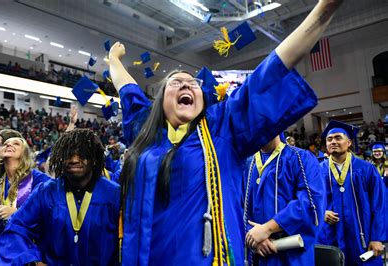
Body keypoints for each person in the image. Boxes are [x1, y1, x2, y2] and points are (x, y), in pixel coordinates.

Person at [108, 0, 343, 264]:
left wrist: (325, 9)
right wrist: (114, 60)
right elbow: (126, 87)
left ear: (201, 99)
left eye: (193, 83)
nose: (186, 85)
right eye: (176, 82)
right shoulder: (144, 129)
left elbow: (272, 69)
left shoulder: (222, 130)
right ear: (161, 99)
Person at [0, 129, 120, 265]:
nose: (74, 159)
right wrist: (32, 260)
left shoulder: (113, 194)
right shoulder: (46, 192)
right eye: (68, 154)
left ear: (94, 159)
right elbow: (16, 229)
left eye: (81, 154)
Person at [244, 134, 325, 265]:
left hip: (291, 255)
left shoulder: (301, 158)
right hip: (256, 254)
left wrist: (267, 229)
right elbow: (237, 207)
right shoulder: (247, 164)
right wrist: (252, 236)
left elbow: (310, 204)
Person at [0, 137, 50, 265]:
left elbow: (50, 215)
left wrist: (17, 213)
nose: (9, 145)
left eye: (16, 143)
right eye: (6, 143)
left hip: (23, 256)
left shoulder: (40, 180)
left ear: (25, 152)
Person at [317, 120, 385, 266]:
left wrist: (377, 237)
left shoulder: (366, 169)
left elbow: (380, 204)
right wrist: (321, 212)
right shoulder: (317, 170)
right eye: (329, 139)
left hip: (363, 236)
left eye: (338, 138)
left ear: (349, 142)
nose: (333, 142)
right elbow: (307, 200)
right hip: (329, 235)